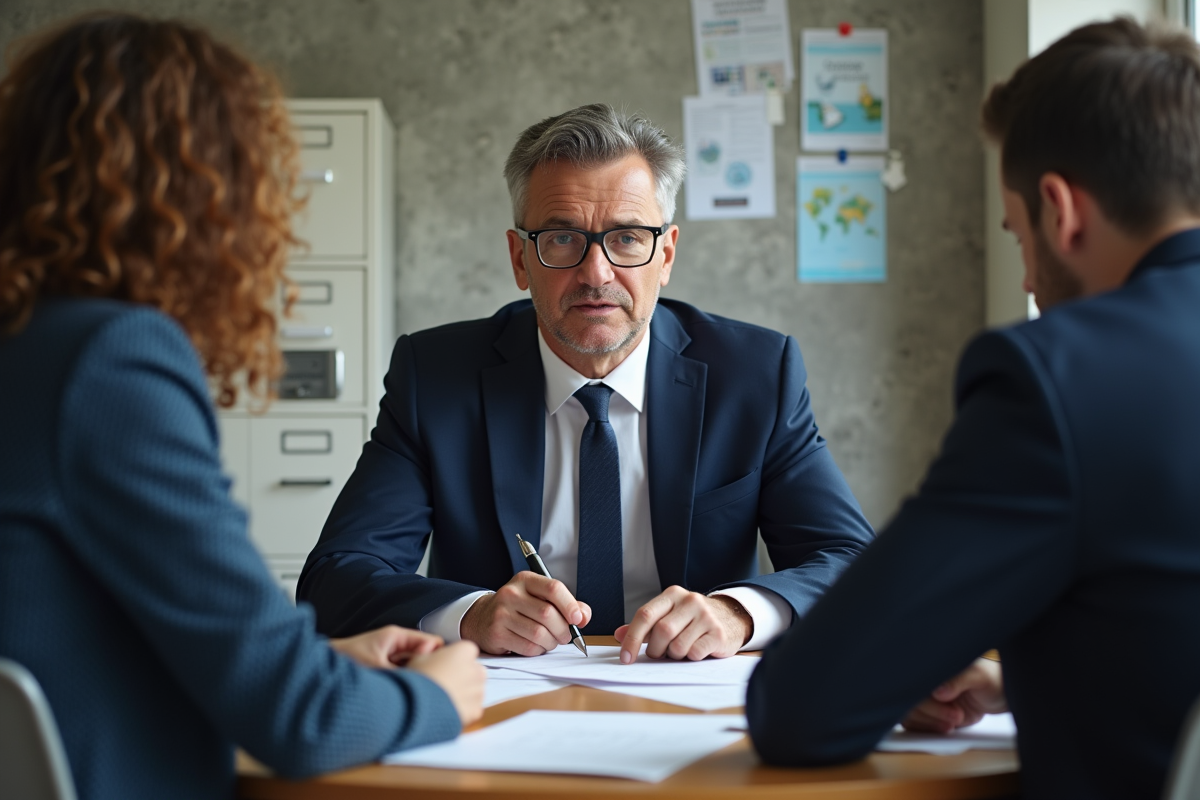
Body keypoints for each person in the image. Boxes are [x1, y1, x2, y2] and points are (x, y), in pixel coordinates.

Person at [0, 14, 484, 800]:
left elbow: (83, 629)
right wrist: (437, 694)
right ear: (204, 188)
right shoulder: (110, 361)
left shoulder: (26, 345)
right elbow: (303, 722)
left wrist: (323, 662)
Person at [745, 17, 1200, 800]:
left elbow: (801, 711)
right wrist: (1032, 679)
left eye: (1018, 237)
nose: (1028, 279)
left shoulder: (1060, 378)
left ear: (1061, 212)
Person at [298, 103, 874, 664]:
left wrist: (739, 614)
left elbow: (852, 560)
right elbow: (335, 579)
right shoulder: (436, 376)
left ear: (665, 255)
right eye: (562, 239)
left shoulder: (753, 374)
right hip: (499, 709)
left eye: (626, 238)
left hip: (690, 702)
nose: (596, 273)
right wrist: (470, 614)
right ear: (520, 259)